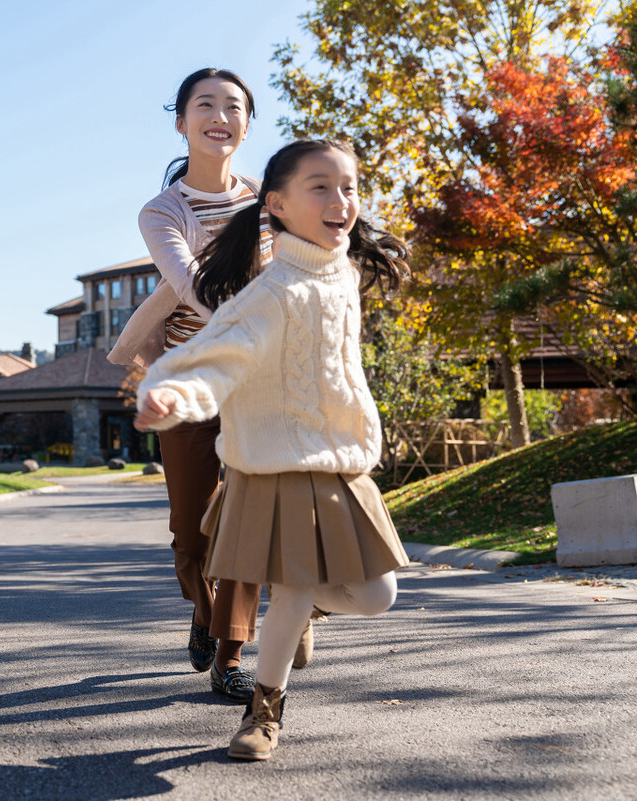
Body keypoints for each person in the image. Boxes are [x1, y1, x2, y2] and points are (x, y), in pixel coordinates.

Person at [135, 139, 411, 761]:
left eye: (349, 187)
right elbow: (217, 358)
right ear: (278, 205)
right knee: (288, 589)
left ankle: (309, 602)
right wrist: (172, 396)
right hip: (275, 463)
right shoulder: (272, 290)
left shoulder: (341, 274)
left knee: (376, 595)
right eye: (321, 187)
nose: (340, 200)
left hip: (340, 462)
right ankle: (263, 715)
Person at [109, 68, 289, 704]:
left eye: (234, 107)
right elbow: (190, 288)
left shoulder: (273, 203)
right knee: (191, 528)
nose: (220, 116)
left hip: (255, 382)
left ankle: (232, 651)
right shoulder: (164, 211)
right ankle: (205, 612)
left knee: (243, 516)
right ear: (181, 122)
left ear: (247, 123)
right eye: (204, 105)